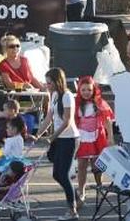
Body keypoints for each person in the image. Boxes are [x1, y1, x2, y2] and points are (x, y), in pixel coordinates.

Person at [35, 68, 80, 220]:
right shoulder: (53, 95)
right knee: (56, 174)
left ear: (57, 81)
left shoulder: (67, 96)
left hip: (69, 139)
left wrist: (52, 137)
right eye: (46, 82)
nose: (47, 85)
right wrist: (38, 134)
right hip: (60, 139)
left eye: (49, 82)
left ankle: (72, 210)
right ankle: (74, 195)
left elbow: (67, 121)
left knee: (63, 174)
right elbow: (49, 117)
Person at [73, 76, 114, 202]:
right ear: (79, 90)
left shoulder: (99, 102)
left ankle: (99, 187)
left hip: (97, 136)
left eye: (89, 90)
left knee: (97, 165)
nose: (86, 92)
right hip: (82, 137)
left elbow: (107, 121)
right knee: (81, 166)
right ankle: (81, 191)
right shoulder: (76, 103)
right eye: (83, 90)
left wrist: (110, 138)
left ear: (94, 90)